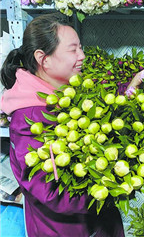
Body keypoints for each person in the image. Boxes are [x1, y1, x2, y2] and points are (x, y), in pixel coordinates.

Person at [0, 13, 125, 237]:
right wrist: (113, 184)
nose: (82, 56)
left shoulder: (66, 92)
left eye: (80, 48)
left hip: (97, 224)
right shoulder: (29, 118)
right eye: (73, 49)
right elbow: (52, 195)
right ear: (43, 59)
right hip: (69, 231)